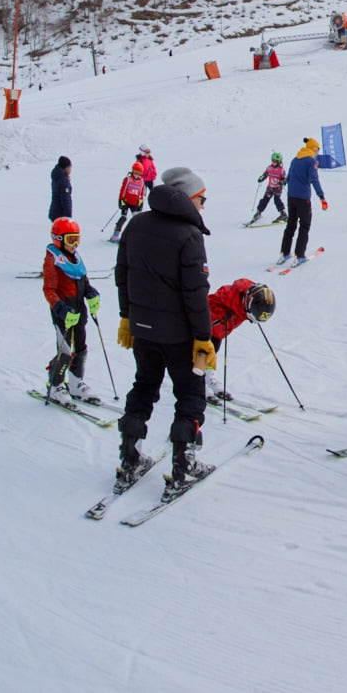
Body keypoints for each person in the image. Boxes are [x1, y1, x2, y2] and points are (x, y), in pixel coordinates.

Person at [115, 166, 215, 497]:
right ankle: (183, 465)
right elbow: (196, 294)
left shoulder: (137, 223)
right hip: (179, 335)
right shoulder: (188, 235)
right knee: (189, 395)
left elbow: (122, 274)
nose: (203, 205)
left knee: (144, 386)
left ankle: (129, 457)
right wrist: (203, 337)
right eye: (202, 198)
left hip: (143, 330)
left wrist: (127, 317)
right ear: (187, 197)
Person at [42, 217, 100, 401]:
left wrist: (91, 293)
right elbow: (49, 290)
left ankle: (75, 383)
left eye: (77, 239)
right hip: (64, 313)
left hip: (79, 311)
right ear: (58, 239)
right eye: (70, 240)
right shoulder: (53, 259)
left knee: (81, 346)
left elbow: (84, 280)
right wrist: (60, 308)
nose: (75, 244)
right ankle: (56, 384)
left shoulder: (75, 258)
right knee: (65, 350)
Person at [204, 279, 275, 399]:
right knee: (203, 353)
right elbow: (208, 303)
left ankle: (208, 377)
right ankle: (198, 382)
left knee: (212, 353)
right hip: (209, 325)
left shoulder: (251, 299)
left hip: (221, 330)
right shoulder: (230, 294)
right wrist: (222, 313)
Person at [279, 138, 327, 267]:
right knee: (304, 226)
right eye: (317, 149)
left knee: (291, 224)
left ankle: (285, 253)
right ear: (314, 149)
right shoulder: (311, 161)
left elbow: (288, 178)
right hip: (303, 198)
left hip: (291, 197)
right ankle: (300, 256)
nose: (318, 152)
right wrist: (321, 196)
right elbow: (314, 179)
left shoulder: (295, 160)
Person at [250, 153, 286, 225]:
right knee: (265, 200)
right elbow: (265, 174)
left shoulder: (281, 170)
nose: (273, 162)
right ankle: (259, 212)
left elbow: (285, 179)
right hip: (270, 187)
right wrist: (262, 178)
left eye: (275, 161)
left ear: (279, 161)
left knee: (277, 200)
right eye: (272, 160)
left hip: (277, 188)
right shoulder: (269, 168)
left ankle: (283, 214)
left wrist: (282, 182)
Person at [114, 161, 146, 241]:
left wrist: (140, 203)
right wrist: (121, 200)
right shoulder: (128, 179)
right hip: (126, 201)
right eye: (135, 171)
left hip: (135, 203)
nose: (136, 174)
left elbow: (141, 193)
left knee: (136, 219)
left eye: (139, 172)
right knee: (123, 217)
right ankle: (115, 235)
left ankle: (136, 237)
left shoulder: (141, 181)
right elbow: (122, 190)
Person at [49, 155, 73, 222]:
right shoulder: (63, 181)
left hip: (54, 212)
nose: (70, 170)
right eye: (69, 167)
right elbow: (65, 198)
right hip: (61, 214)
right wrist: (68, 215)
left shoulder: (57, 178)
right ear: (66, 168)